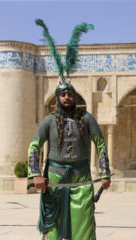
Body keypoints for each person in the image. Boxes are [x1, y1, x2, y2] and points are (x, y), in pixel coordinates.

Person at [28, 19, 111, 240]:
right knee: (52, 230)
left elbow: (101, 144)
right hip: (54, 180)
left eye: (70, 94)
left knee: (83, 228)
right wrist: (35, 174)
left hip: (81, 180)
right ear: (57, 97)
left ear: (74, 96)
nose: (67, 97)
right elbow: (34, 146)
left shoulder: (86, 118)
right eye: (63, 94)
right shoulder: (48, 120)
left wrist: (104, 173)